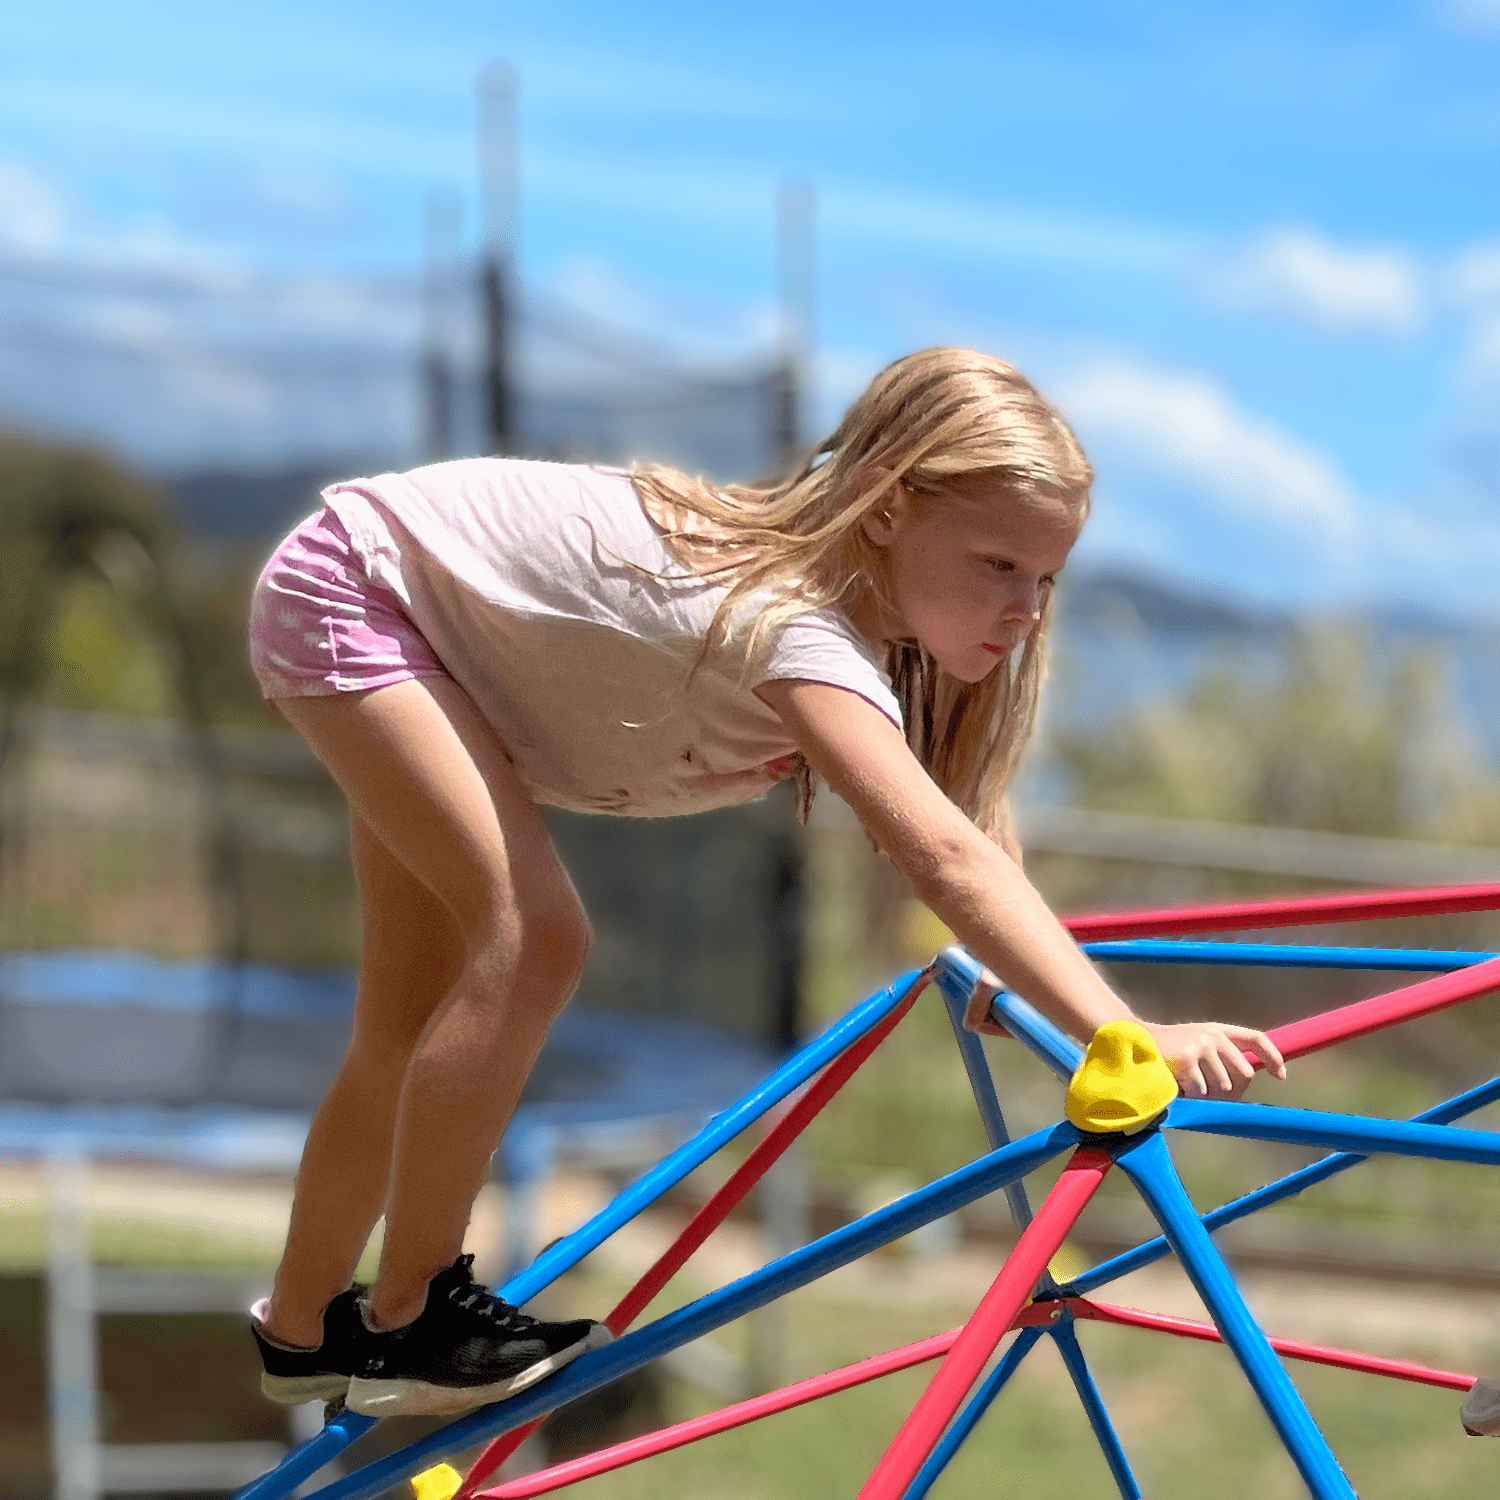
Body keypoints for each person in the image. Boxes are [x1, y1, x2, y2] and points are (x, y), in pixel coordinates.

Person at [244, 346, 1285, 1419]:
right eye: (997, 564)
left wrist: (1010, 982)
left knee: (403, 1023)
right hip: (365, 592)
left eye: (1046, 576)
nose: (1025, 607)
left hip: (430, 635)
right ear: (888, 510)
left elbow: (971, 822)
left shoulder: (885, 636)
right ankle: (415, 1313)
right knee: (535, 937)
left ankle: (302, 1326)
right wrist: (1123, 1032)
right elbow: (943, 857)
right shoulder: (790, 621)